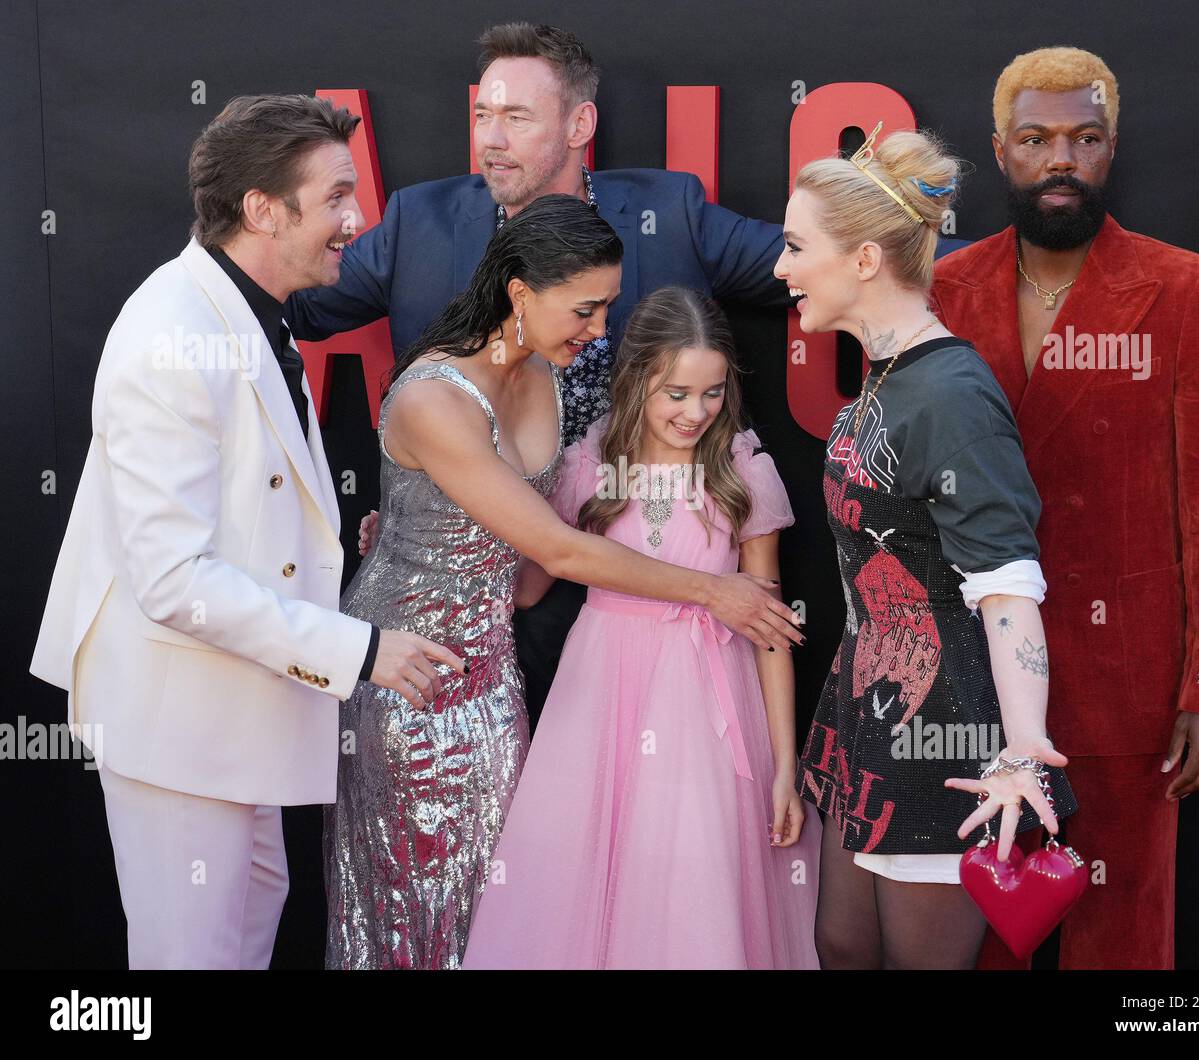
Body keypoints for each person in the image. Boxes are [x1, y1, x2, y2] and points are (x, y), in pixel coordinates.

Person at [28, 95, 461, 969]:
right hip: (179, 727)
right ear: (264, 209)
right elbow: (175, 579)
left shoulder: (247, 313)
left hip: (232, 718)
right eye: (338, 195)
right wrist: (363, 650)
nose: (358, 218)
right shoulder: (173, 337)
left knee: (242, 931)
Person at [325, 198, 804, 969]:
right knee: (422, 903)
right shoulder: (434, 396)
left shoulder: (548, 374)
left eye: (609, 306)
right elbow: (557, 548)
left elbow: (520, 562)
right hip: (412, 674)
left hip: (495, 674)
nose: (600, 328)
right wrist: (713, 591)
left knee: (506, 897)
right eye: (587, 308)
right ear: (521, 294)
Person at [286, 22, 799, 727]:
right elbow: (293, 301)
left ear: (580, 122)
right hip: (481, 600)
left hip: (632, 588)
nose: (490, 140)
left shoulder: (667, 213)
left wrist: (968, 269)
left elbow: (808, 266)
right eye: (482, 116)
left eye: (516, 118)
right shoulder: (421, 222)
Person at [930, 47, 1199, 970]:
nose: (1060, 159)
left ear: (1110, 150)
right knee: (984, 934)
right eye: (1037, 139)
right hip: (978, 675)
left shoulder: (1185, 290)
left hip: (1131, 678)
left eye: (1083, 138)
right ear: (1002, 152)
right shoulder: (946, 292)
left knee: (1121, 939)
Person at [774, 124, 1078, 969]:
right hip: (870, 719)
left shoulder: (951, 393)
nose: (780, 268)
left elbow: (1009, 588)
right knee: (840, 943)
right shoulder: (889, 369)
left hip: (942, 737)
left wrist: (1020, 755)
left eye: (798, 246)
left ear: (865, 258)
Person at [460, 287, 820, 969]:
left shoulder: (740, 470)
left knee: (692, 878)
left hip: (709, 707)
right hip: (599, 695)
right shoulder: (590, 465)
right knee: (582, 868)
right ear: (636, 379)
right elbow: (531, 586)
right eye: (676, 393)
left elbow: (770, 632)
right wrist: (428, 539)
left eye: (712, 393)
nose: (695, 412)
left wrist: (784, 768)